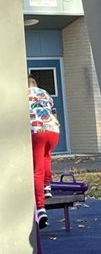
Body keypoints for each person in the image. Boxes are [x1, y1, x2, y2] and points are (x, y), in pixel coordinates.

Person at [28, 75, 61, 229]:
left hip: (37, 130)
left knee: (37, 169)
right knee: (47, 157)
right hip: (53, 130)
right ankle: (47, 187)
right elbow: (54, 113)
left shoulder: (23, 94)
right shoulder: (44, 93)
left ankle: (40, 208)